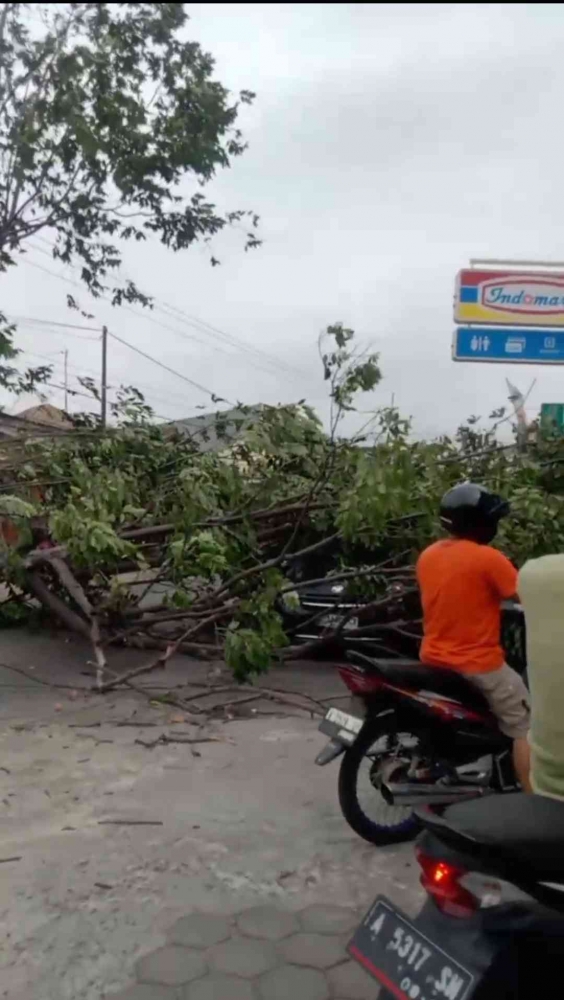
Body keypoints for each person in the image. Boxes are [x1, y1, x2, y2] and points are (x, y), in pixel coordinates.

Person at [416, 482, 531, 791]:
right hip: (478, 664)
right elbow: (524, 593)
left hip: (433, 658)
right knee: (525, 726)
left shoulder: (428, 555)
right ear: (481, 523)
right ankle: (536, 801)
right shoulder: (488, 558)